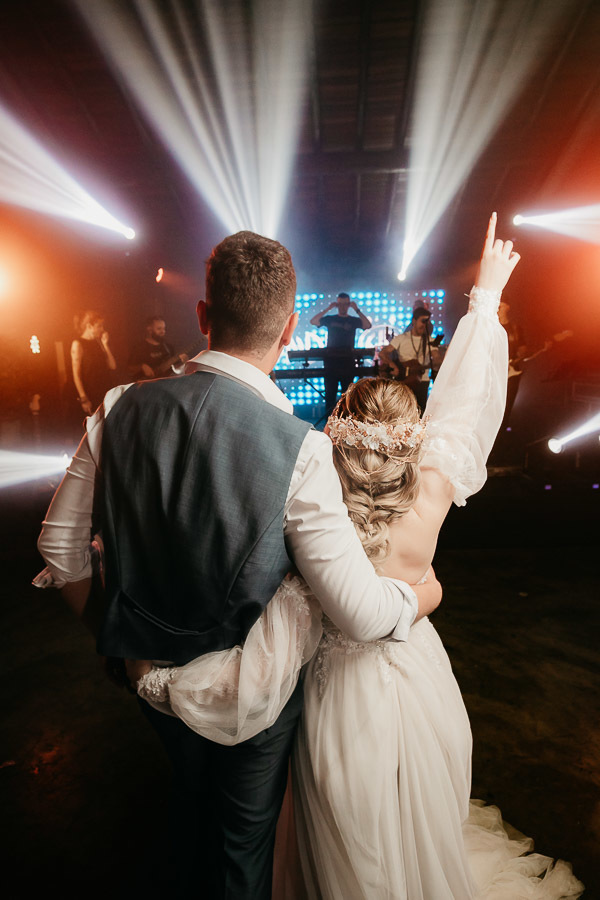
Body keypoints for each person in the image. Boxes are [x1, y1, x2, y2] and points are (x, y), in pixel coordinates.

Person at [131, 215, 582, 898]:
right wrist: (484, 302)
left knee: (345, 837)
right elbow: (466, 409)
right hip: (421, 686)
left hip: (334, 696)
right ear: (414, 438)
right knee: (420, 815)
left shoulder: (312, 493)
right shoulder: (432, 491)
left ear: (341, 431)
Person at [35, 231, 441, 900]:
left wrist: (113, 641)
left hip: (146, 677)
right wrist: (422, 597)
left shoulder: (115, 408)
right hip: (253, 694)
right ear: (288, 328)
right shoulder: (302, 450)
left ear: (202, 317)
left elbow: (58, 549)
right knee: (241, 844)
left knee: (188, 807)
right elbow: (363, 614)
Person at [310, 292, 371, 413]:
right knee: (330, 396)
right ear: (337, 305)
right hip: (331, 362)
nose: (343, 307)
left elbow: (367, 325)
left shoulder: (353, 320)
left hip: (347, 361)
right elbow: (313, 321)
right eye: (340, 304)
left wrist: (357, 309)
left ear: (349, 305)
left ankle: (346, 422)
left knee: (347, 396)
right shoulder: (330, 319)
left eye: (345, 304)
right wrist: (328, 308)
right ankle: (329, 424)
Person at [379, 305, 433, 411]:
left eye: (427, 322)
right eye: (423, 321)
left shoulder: (430, 340)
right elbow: (383, 353)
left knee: (421, 411)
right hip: (404, 381)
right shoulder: (401, 338)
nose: (425, 325)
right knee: (403, 410)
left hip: (422, 381)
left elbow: (437, 358)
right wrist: (392, 365)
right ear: (414, 321)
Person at [70, 310, 117, 415]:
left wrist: (105, 345)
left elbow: (113, 366)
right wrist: (84, 398)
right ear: (89, 326)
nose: (102, 329)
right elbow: (76, 374)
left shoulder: (98, 342)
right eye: (99, 326)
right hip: (91, 393)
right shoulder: (78, 344)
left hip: (106, 391)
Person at [128, 315, 187, 380]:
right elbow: (129, 368)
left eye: (164, 328)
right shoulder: (139, 347)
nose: (163, 331)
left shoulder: (168, 347)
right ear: (149, 329)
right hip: (146, 387)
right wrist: (142, 366)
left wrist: (184, 363)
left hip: (165, 385)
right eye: (159, 329)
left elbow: (176, 370)